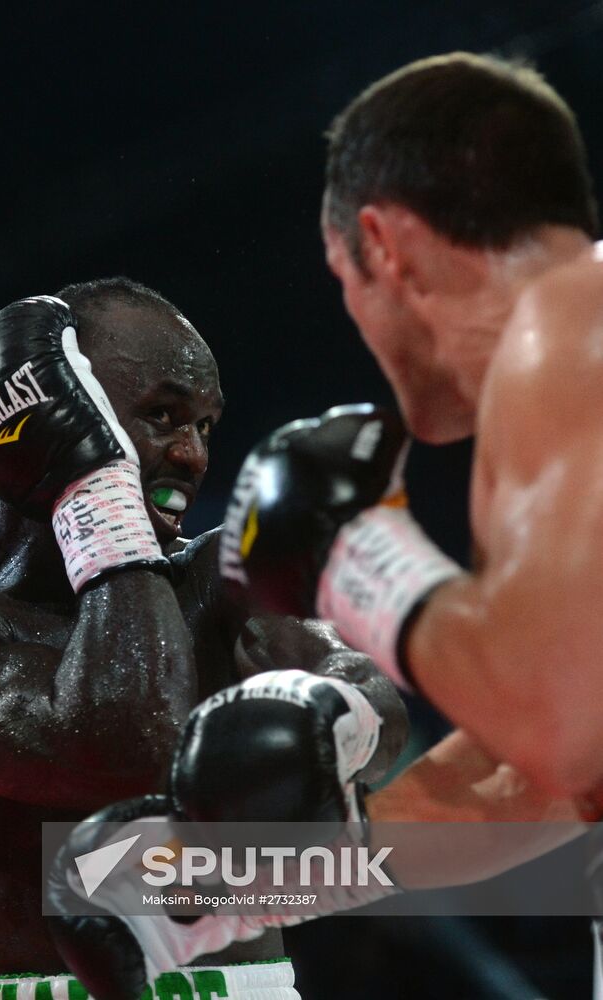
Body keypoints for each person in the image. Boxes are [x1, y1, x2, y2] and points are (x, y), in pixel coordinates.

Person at [0, 276, 408, 1000]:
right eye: (163, 415)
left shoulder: (222, 577)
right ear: (51, 419)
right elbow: (127, 738)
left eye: (204, 426)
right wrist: (96, 491)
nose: (194, 456)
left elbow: (375, 702)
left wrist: (333, 724)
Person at [226, 51, 603, 801]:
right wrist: (261, 880)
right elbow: (537, 768)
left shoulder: (565, 322)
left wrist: (360, 559)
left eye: (344, 277)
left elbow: (556, 729)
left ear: (386, 247)